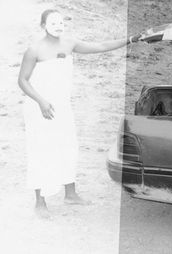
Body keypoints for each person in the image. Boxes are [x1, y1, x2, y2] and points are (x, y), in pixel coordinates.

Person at [17, 9, 142, 218]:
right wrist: (41, 102)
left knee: (68, 147)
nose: (58, 25)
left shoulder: (69, 43)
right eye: (52, 22)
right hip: (39, 108)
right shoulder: (34, 50)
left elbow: (101, 47)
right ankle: (40, 202)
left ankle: (70, 194)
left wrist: (130, 39)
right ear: (43, 26)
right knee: (41, 151)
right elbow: (22, 80)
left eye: (60, 22)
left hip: (62, 106)